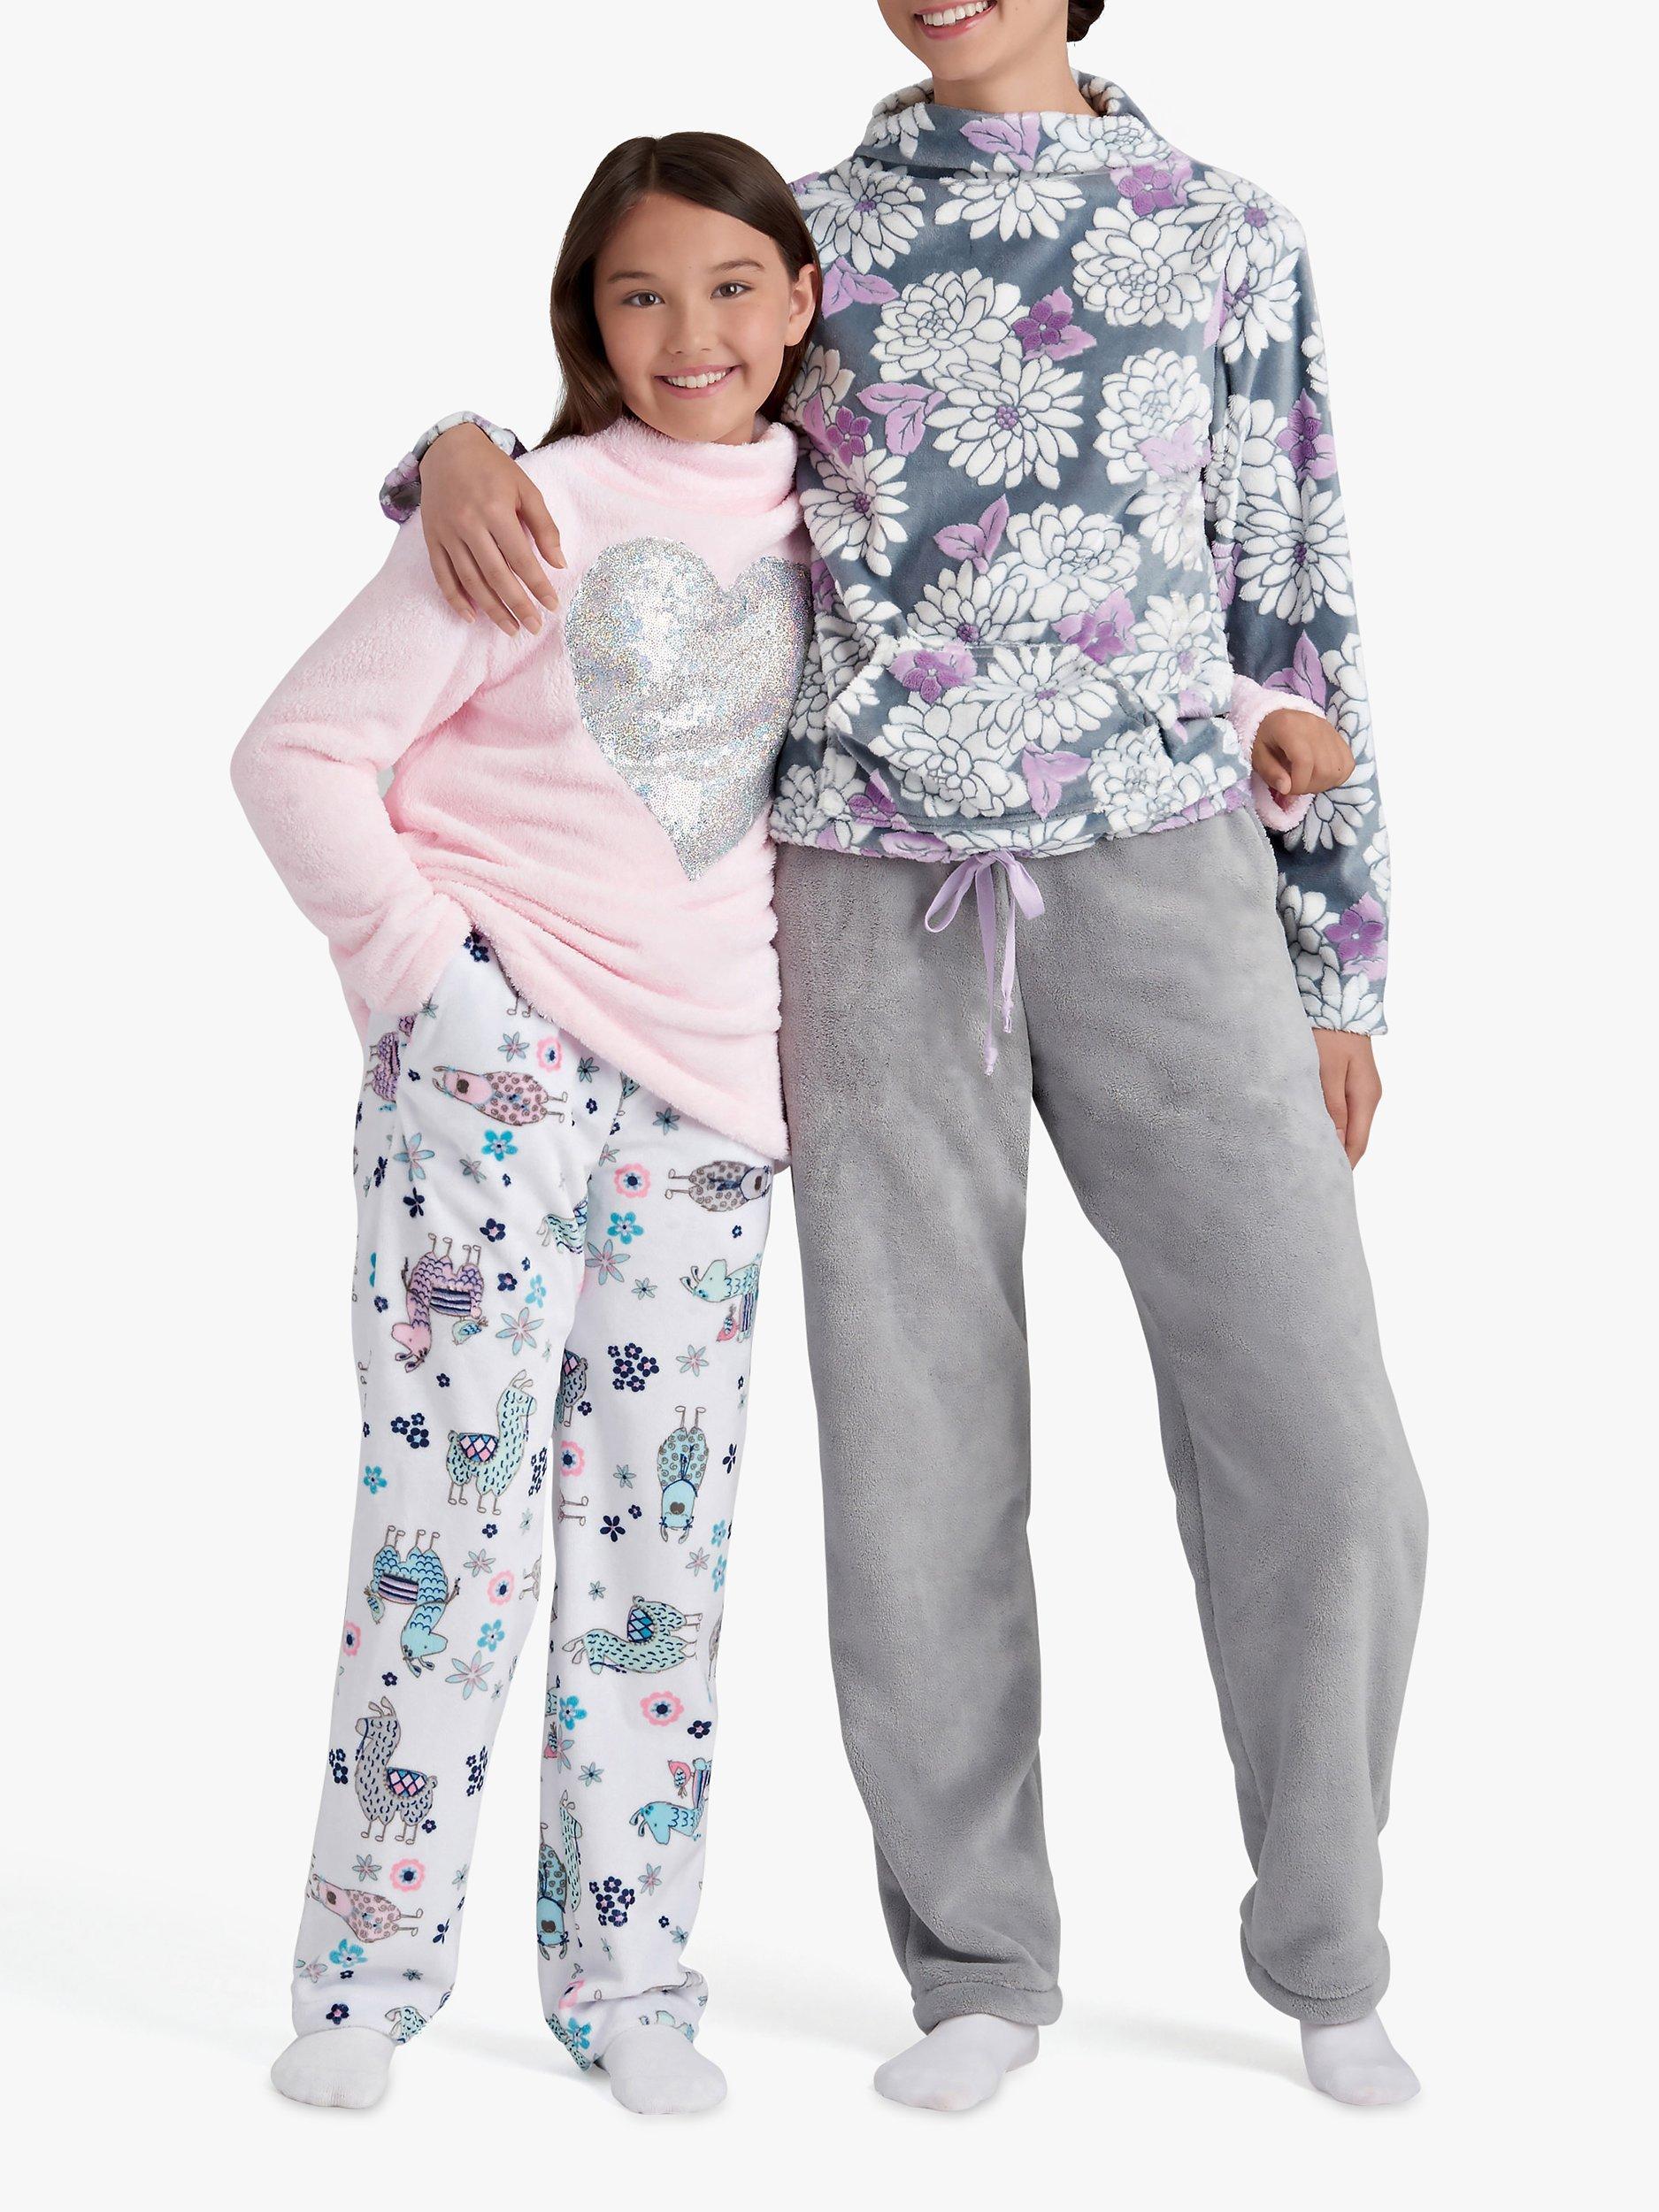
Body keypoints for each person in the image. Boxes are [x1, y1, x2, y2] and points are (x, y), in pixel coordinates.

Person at [381, 0, 1426, 2113]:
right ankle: (977, 1962)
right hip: (862, 892)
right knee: (916, 1459)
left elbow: (1290, 586)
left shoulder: (1222, 228)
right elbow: (643, 440)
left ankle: (1324, 1944)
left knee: (1323, 1453)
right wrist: (451, 447)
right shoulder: (806, 233)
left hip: (1167, 871)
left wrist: (1337, 960)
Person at [231, 132, 818, 2115]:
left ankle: (630, 1980)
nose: (688, 332)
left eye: (728, 287)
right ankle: (363, 1975)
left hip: (713, 1102)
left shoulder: (849, 524)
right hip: (493, 1078)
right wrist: (432, 982)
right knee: (445, 1530)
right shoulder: (527, 510)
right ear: (589, 319)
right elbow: (296, 752)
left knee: (659, 1553)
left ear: (801, 299)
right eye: (640, 294)